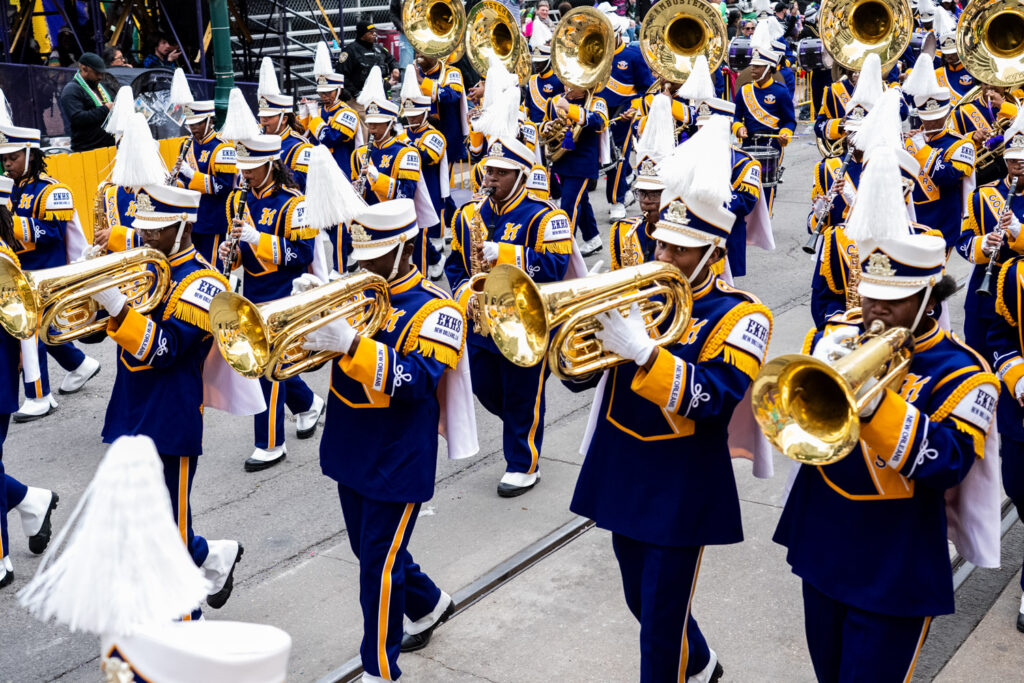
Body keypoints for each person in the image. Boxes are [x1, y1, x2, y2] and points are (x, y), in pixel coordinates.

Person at [567, 126, 772, 683]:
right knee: (642, 598)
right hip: (622, 464)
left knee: (659, 626)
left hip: (682, 481)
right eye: (660, 243)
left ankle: (685, 666)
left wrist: (641, 353)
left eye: (678, 249)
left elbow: (715, 396)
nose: (662, 256)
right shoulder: (638, 291)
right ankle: (701, 661)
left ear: (710, 253)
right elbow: (580, 377)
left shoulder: (742, 315)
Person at [775, 232, 999, 682]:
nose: (874, 308)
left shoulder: (966, 374)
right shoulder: (839, 336)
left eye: (893, 298)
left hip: (895, 563)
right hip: (822, 540)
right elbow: (792, 427)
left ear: (929, 299)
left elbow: (949, 464)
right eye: (869, 293)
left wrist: (879, 404)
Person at [301, 198, 463, 681]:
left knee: (377, 565)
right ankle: (430, 603)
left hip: (399, 457)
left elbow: (415, 381)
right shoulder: (355, 295)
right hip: (351, 447)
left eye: (373, 255)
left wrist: (350, 342)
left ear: (404, 250)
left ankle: (379, 668)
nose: (360, 264)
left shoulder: (438, 309)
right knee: (370, 550)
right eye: (359, 253)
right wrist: (307, 317)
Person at [90, 183, 246, 617]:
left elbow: (165, 349)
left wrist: (119, 308)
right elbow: (92, 332)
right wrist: (93, 298)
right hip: (130, 404)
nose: (146, 236)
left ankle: (184, 632)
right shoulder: (143, 266)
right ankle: (213, 557)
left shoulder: (203, 285)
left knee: (169, 537)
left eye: (156, 229)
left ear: (182, 226)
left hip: (170, 416)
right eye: (143, 227)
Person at [446, 135, 573, 496]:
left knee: (522, 393)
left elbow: (556, 266)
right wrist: (462, 293)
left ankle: (523, 463)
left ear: (520, 175)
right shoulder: (470, 214)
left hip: (526, 321)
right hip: (482, 322)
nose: (491, 179)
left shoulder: (546, 216)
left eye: (501, 173)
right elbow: (454, 264)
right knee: (484, 388)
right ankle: (523, 425)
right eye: (489, 171)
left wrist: (504, 253)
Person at [219, 135, 326, 472]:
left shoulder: (295, 205)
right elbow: (241, 257)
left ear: (270, 165)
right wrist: (231, 254)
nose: (245, 174)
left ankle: (270, 444)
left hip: (284, 292)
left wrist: (258, 239)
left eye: (251, 168)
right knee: (265, 365)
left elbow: (303, 254)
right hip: (254, 291)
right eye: (243, 168)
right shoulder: (237, 200)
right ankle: (308, 404)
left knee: (266, 369)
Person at [0, 123, 100, 421]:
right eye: (4, 159)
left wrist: (12, 225)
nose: (7, 164)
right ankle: (80, 365)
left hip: (45, 274)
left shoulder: (53, 190)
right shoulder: (11, 188)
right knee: (41, 331)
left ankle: (39, 396)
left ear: (31, 154)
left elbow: (53, 233)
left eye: (13, 157)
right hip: (20, 272)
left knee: (28, 333)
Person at [0, 177, 59, 589]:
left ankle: (0, 559)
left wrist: (35, 382)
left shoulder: (4, 262)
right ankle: (29, 500)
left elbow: (23, 331)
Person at [956, 107, 1024, 359]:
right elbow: (962, 241)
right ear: (1006, 160)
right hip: (986, 295)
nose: (1021, 165)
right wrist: (983, 244)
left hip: (1021, 294)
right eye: (1015, 159)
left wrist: (1018, 231)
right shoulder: (982, 195)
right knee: (979, 361)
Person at [901, 53, 976, 251]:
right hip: (911, 221)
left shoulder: (961, 145)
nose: (932, 122)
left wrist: (921, 147)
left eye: (937, 117)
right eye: (927, 118)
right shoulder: (912, 140)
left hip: (943, 225)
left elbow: (947, 177)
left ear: (947, 114)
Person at [732, 21, 796, 213]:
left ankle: (766, 217)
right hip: (749, 142)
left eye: (758, 67)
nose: (753, 69)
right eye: (753, 65)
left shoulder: (781, 92)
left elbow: (790, 120)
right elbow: (736, 118)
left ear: (768, 69)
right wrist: (738, 128)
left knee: (768, 184)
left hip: (773, 143)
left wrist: (785, 134)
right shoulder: (744, 91)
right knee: (746, 182)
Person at [542, 80, 609, 256]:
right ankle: (592, 238)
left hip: (582, 163)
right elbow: (544, 123)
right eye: (565, 82)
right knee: (582, 200)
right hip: (562, 160)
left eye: (572, 83)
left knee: (569, 204)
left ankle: (563, 250)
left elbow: (599, 122)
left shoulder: (597, 101)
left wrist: (570, 109)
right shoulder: (556, 100)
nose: (567, 86)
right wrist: (546, 127)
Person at [170, 101, 238, 266]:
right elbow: (184, 182)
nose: (193, 127)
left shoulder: (222, 148)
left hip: (213, 220)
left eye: (198, 123)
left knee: (213, 266)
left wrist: (192, 175)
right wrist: (174, 183)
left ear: (209, 121)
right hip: (191, 219)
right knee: (193, 265)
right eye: (190, 123)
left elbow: (223, 186)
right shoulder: (186, 145)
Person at [598, 21, 654, 220]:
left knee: (617, 156)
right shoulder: (595, 54)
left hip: (624, 113)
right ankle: (628, 182)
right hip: (599, 112)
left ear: (619, 34)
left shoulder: (633, 56)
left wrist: (634, 108)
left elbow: (646, 89)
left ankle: (616, 201)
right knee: (603, 156)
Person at [399, 67, 448, 279]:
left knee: (420, 235)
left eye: (415, 114)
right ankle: (436, 258)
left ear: (425, 112)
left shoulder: (434, 135)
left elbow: (426, 156)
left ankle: (423, 277)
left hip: (428, 191)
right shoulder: (404, 133)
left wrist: (404, 141)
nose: (411, 119)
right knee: (412, 235)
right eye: (408, 115)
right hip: (408, 189)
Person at [59, 52, 115, 152]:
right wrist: (105, 109)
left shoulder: (102, 86)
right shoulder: (71, 90)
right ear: (84, 69)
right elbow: (78, 118)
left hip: (110, 147)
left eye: (102, 73)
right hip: (88, 151)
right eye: (97, 73)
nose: (100, 77)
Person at [338, 19, 400, 103]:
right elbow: (341, 75)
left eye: (375, 32)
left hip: (380, 95)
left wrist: (395, 68)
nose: (374, 34)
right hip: (358, 98)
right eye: (371, 32)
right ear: (362, 34)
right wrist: (355, 93)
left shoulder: (378, 48)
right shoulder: (349, 51)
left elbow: (391, 60)